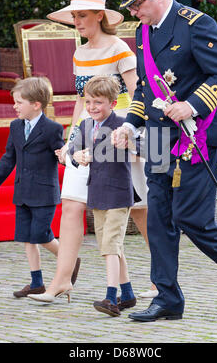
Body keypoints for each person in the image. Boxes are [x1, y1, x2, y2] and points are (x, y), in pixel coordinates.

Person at [111, 0, 217, 322]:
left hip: (198, 132)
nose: (133, 13)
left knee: (189, 216)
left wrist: (190, 104)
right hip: (160, 135)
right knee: (159, 217)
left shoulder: (197, 24)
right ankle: (167, 298)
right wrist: (131, 124)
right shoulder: (143, 33)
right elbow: (145, 88)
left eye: (136, 5)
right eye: (130, 8)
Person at [28, 0, 155, 303]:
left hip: (120, 133)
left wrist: (132, 133)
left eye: (81, 15)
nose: (76, 21)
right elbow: (79, 101)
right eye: (73, 16)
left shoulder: (120, 48)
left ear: (100, 16)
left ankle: (160, 277)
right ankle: (61, 281)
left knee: (140, 211)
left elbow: (137, 93)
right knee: (70, 204)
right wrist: (70, 141)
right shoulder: (79, 53)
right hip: (86, 134)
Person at [0, 77, 66, 299]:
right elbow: (9, 158)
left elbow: (61, 155)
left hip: (45, 193)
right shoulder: (15, 126)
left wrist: (66, 157)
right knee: (27, 237)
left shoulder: (52, 129)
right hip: (23, 192)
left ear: (36, 104)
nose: (15, 106)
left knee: (40, 234)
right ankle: (36, 282)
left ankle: (68, 261)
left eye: (19, 102)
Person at [68, 75, 137, 317]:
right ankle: (127, 293)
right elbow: (74, 150)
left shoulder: (122, 125)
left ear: (113, 103)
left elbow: (132, 147)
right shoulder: (86, 125)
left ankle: (111, 297)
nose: (91, 107)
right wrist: (77, 156)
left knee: (110, 246)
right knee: (111, 246)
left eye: (97, 102)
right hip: (97, 192)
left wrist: (126, 144)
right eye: (88, 102)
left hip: (118, 194)